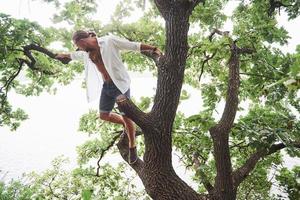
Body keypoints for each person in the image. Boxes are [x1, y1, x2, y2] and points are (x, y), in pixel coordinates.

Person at [55, 30, 162, 164]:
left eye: (79, 46)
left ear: (82, 41)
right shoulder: (86, 52)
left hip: (120, 85)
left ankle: (132, 146)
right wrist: (62, 55)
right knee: (104, 115)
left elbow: (133, 45)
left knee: (126, 116)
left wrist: (154, 49)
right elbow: (75, 55)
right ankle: (127, 125)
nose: (79, 49)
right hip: (106, 86)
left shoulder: (109, 41)